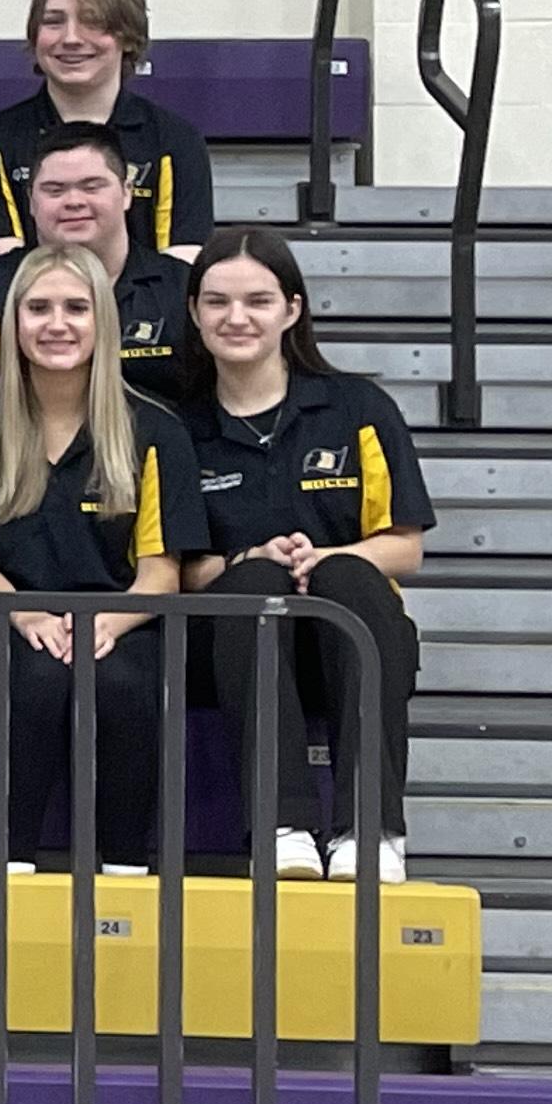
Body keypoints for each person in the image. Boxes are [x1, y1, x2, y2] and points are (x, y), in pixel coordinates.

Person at [182, 226, 430, 882]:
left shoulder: (358, 407)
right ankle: (282, 827)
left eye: (258, 301)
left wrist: (322, 558)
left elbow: (407, 549)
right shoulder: (173, 426)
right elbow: (178, 568)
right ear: (194, 312)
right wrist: (250, 560)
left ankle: (370, 831)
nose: (237, 318)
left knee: (347, 573)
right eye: (217, 302)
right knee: (252, 582)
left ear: (292, 310)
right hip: (231, 652)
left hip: (350, 640)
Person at [0, 247, 211, 871]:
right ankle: (10, 868)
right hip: (10, 618)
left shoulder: (156, 430)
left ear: (103, 321)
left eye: (76, 308)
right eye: (38, 307)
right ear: (13, 323)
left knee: (125, 684)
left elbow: (162, 573)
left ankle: (124, 869)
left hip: (123, 619)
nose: (57, 324)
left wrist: (106, 623)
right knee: (39, 678)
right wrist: (26, 615)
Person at [0, 0, 216, 263]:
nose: (71, 38)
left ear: (128, 36)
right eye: (53, 22)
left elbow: (180, 273)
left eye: (93, 22)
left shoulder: (176, 141)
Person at [0, 120, 195, 411]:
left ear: (127, 192)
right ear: (30, 200)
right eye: (55, 190)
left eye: (92, 187)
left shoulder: (182, 287)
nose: (74, 202)